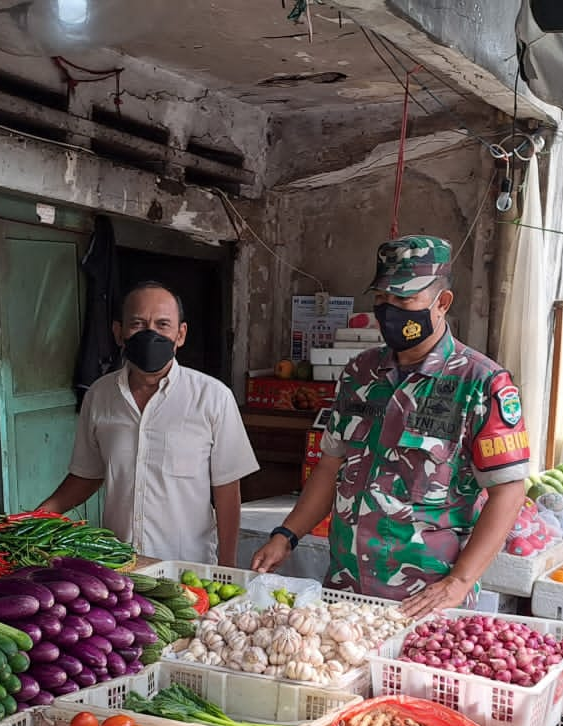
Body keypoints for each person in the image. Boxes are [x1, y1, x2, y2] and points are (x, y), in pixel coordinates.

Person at [250, 235, 530, 617]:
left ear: (441, 303)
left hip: (427, 601)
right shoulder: (359, 373)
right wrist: (287, 534)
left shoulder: (481, 384)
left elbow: (509, 492)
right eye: (382, 299)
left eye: (405, 300)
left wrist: (459, 581)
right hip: (346, 590)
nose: (390, 311)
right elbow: (331, 466)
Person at [37, 281, 259, 565]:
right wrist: (39, 515)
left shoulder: (213, 398)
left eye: (163, 324)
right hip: (119, 569)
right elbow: (87, 474)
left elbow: (227, 491)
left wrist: (228, 566)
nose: (151, 333)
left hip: (187, 569)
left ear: (180, 334)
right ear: (119, 333)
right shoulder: (100, 396)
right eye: (138, 324)